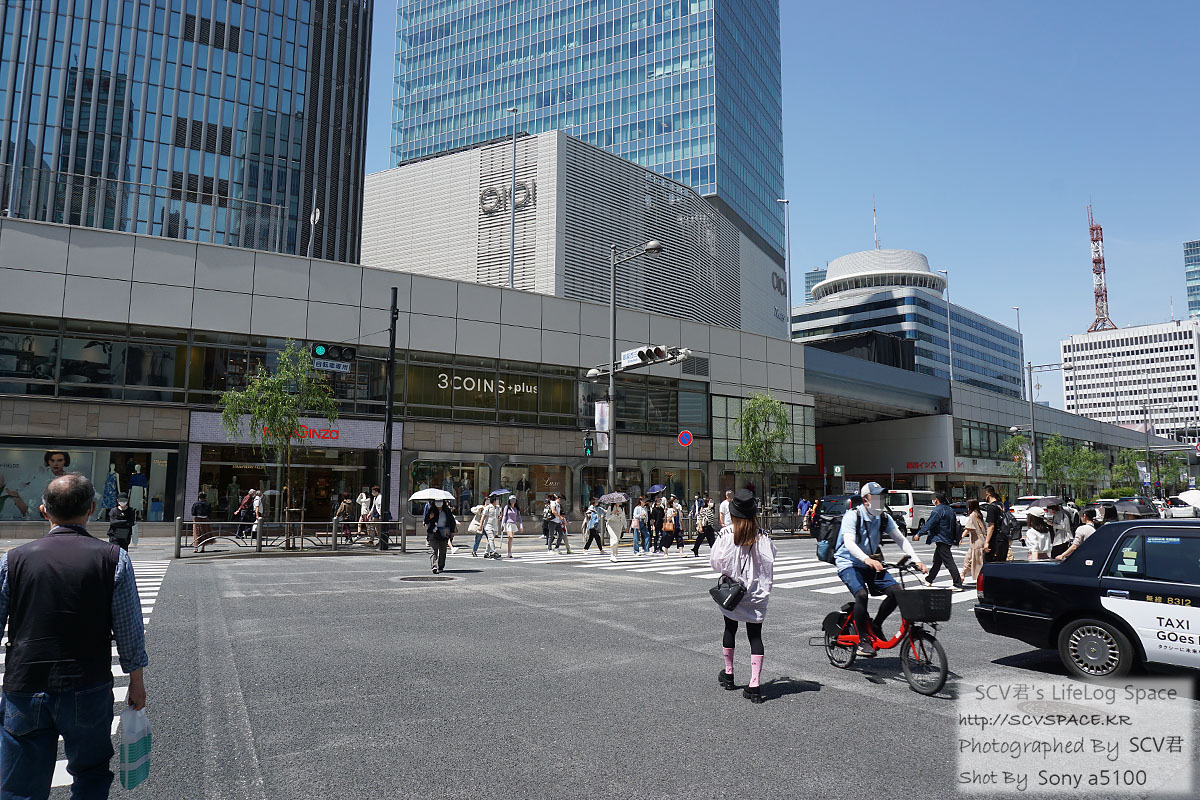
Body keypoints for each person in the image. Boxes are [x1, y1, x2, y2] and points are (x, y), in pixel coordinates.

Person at [0, 474, 148, 798]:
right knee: (91, 775)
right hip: (87, 683)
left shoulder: (13, 560)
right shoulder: (113, 559)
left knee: (20, 785)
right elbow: (129, 629)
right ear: (92, 509)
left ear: (44, 510)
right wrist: (136, 681)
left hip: (25, 682)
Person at [836, 482, 927, 659]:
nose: (881, 500)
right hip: (849, 563)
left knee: (896, 592)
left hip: (870, 563)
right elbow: (849, 543)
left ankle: (876, 625)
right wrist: (867, 559)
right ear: (865, 500)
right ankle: (863, 640)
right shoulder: (852, 516)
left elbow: (901, 540)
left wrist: (916, 560)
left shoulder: (883, 518)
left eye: (882, 497)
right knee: (861, 595)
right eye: (876, 497)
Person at [710, 489, 776, 704]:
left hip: (733, 593)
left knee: (730, 628)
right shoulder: (763, 535)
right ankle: (754, 684)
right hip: (757, 592)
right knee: (755, 636)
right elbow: (771, 559)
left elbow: (715, 563)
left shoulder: (725, 534)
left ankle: (729, 674)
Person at [916, 492, 964, 591]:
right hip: (948, 538)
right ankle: (929, 579)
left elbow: (929, 524)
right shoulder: (950, 509)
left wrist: (919, 534)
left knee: (949, 562)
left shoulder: (937, 510)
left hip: (941, 538)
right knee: (937, 561)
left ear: (936, 500)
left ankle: (957, 584)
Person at [424, 498, 456, 573]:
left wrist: (452, 531)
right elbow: (426, 521)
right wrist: (429, 517)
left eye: (440, 501)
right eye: (437, 501)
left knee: (443, 550)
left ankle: (441, 565)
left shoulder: (447, 511)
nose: (439, 503)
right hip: (434, 532)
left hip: (444, 531)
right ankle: (434, 566)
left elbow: (452, 521)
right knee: (433, 550)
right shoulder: (431, 510)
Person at [981, 485, 1010, 563]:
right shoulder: (1001, 504)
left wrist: (987, 542)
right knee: (1001, 563)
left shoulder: (991, 507)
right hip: (1004, 538)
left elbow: (991, 526)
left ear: (987, 494)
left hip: (995, 540)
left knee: (991, 563)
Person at [961, 499, 986, 582]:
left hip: (976, 542)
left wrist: (961, 537)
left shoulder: (972, 515)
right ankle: (962, 574)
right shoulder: (979, 514)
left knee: (976, 561)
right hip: (980, 540)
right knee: (968, 559)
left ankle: (981, 579)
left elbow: (968, 529)